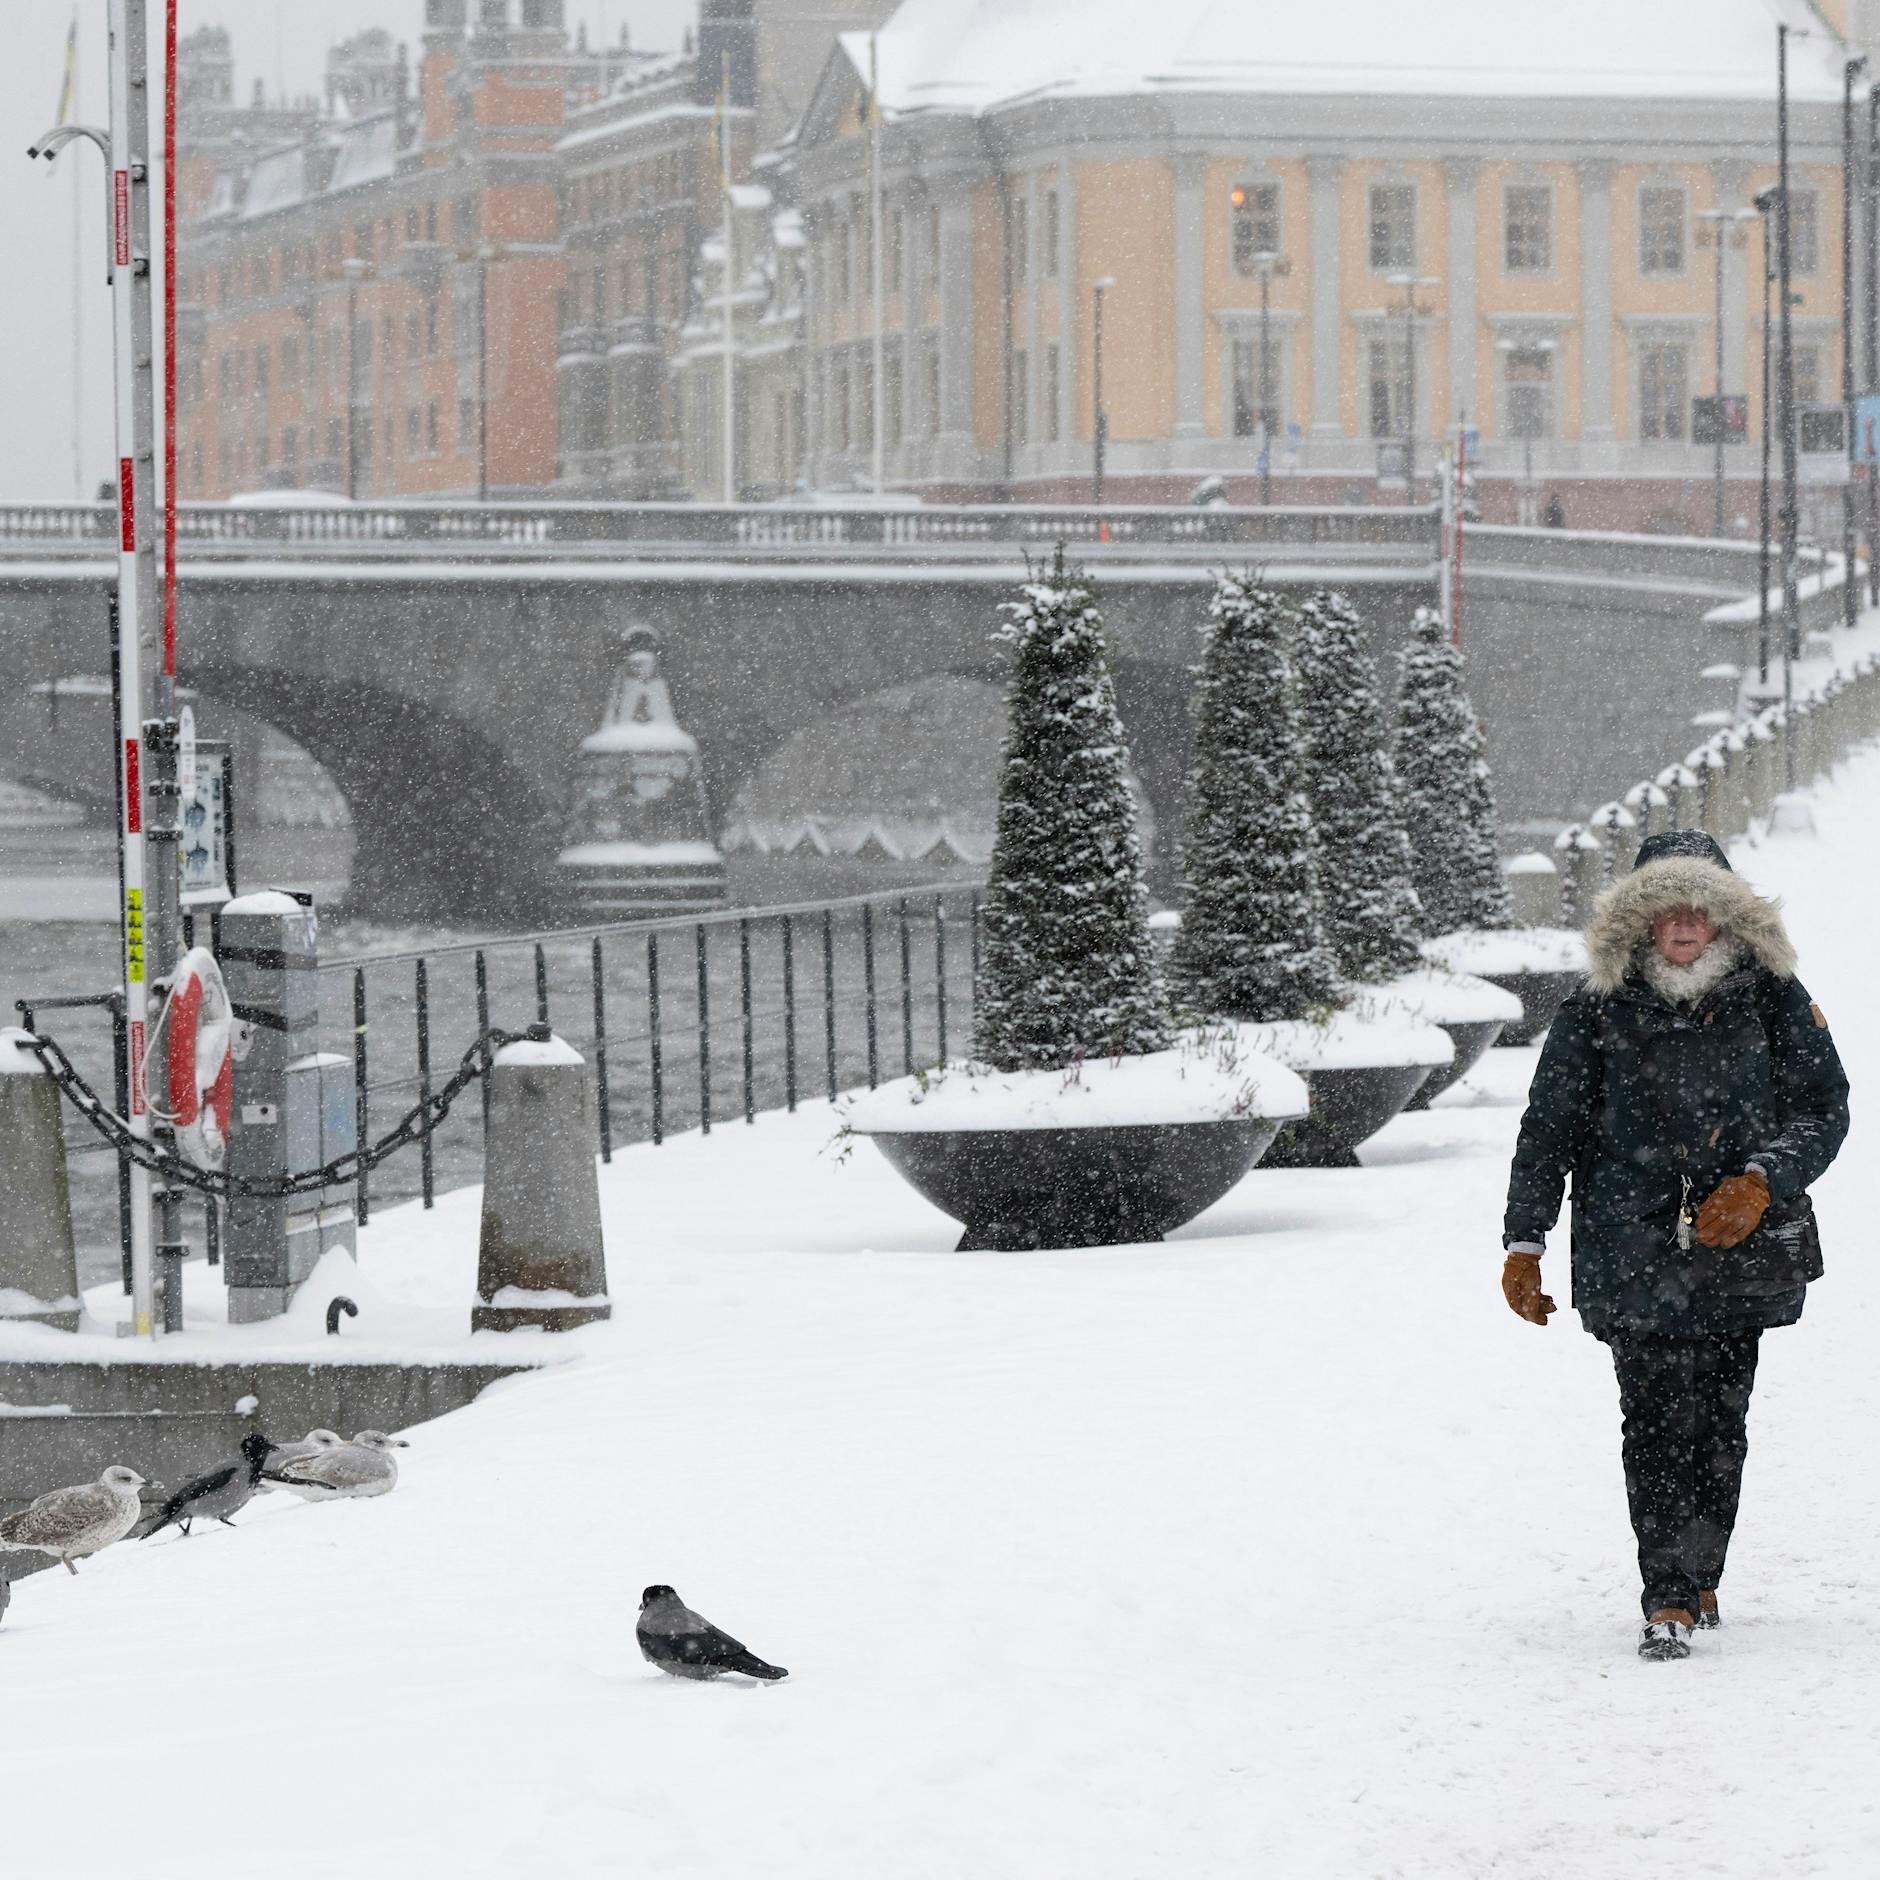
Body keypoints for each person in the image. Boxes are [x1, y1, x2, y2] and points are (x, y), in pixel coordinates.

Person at [1501, 829, 1849, 1661]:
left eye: (1701, 908)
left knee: (1723, 1420)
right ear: (1641, 921)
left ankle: (1700, 1572)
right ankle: (1666, 1592)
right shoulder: (1595, 1007)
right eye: (1667, 909)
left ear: (1728, 920)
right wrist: (1524, 1239)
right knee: (1654, 1419)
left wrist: (1762, 1182)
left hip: (1743, 1249)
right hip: (1633, 1249)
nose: (1684, 924)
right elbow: (1549, 1125)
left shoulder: (1772, 998)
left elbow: (1825, 1106)